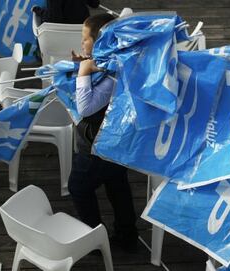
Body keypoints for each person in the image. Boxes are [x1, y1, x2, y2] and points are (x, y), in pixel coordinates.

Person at [68, 13, 139, 253]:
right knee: (117, 184)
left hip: (97, 146)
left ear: (99, 41)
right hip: (117, 142)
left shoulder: (111, 77)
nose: (82, 44)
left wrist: (83, 73)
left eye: (85, 39)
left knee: (78, 187)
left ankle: (94, 238)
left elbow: (85, 107)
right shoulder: (115, 61)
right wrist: (87, 62)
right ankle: (127, 234)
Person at [32, 0, 100, 24]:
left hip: (61, 33)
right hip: (82, 30)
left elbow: (54, 19)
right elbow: (95, 4)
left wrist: (40, 12)